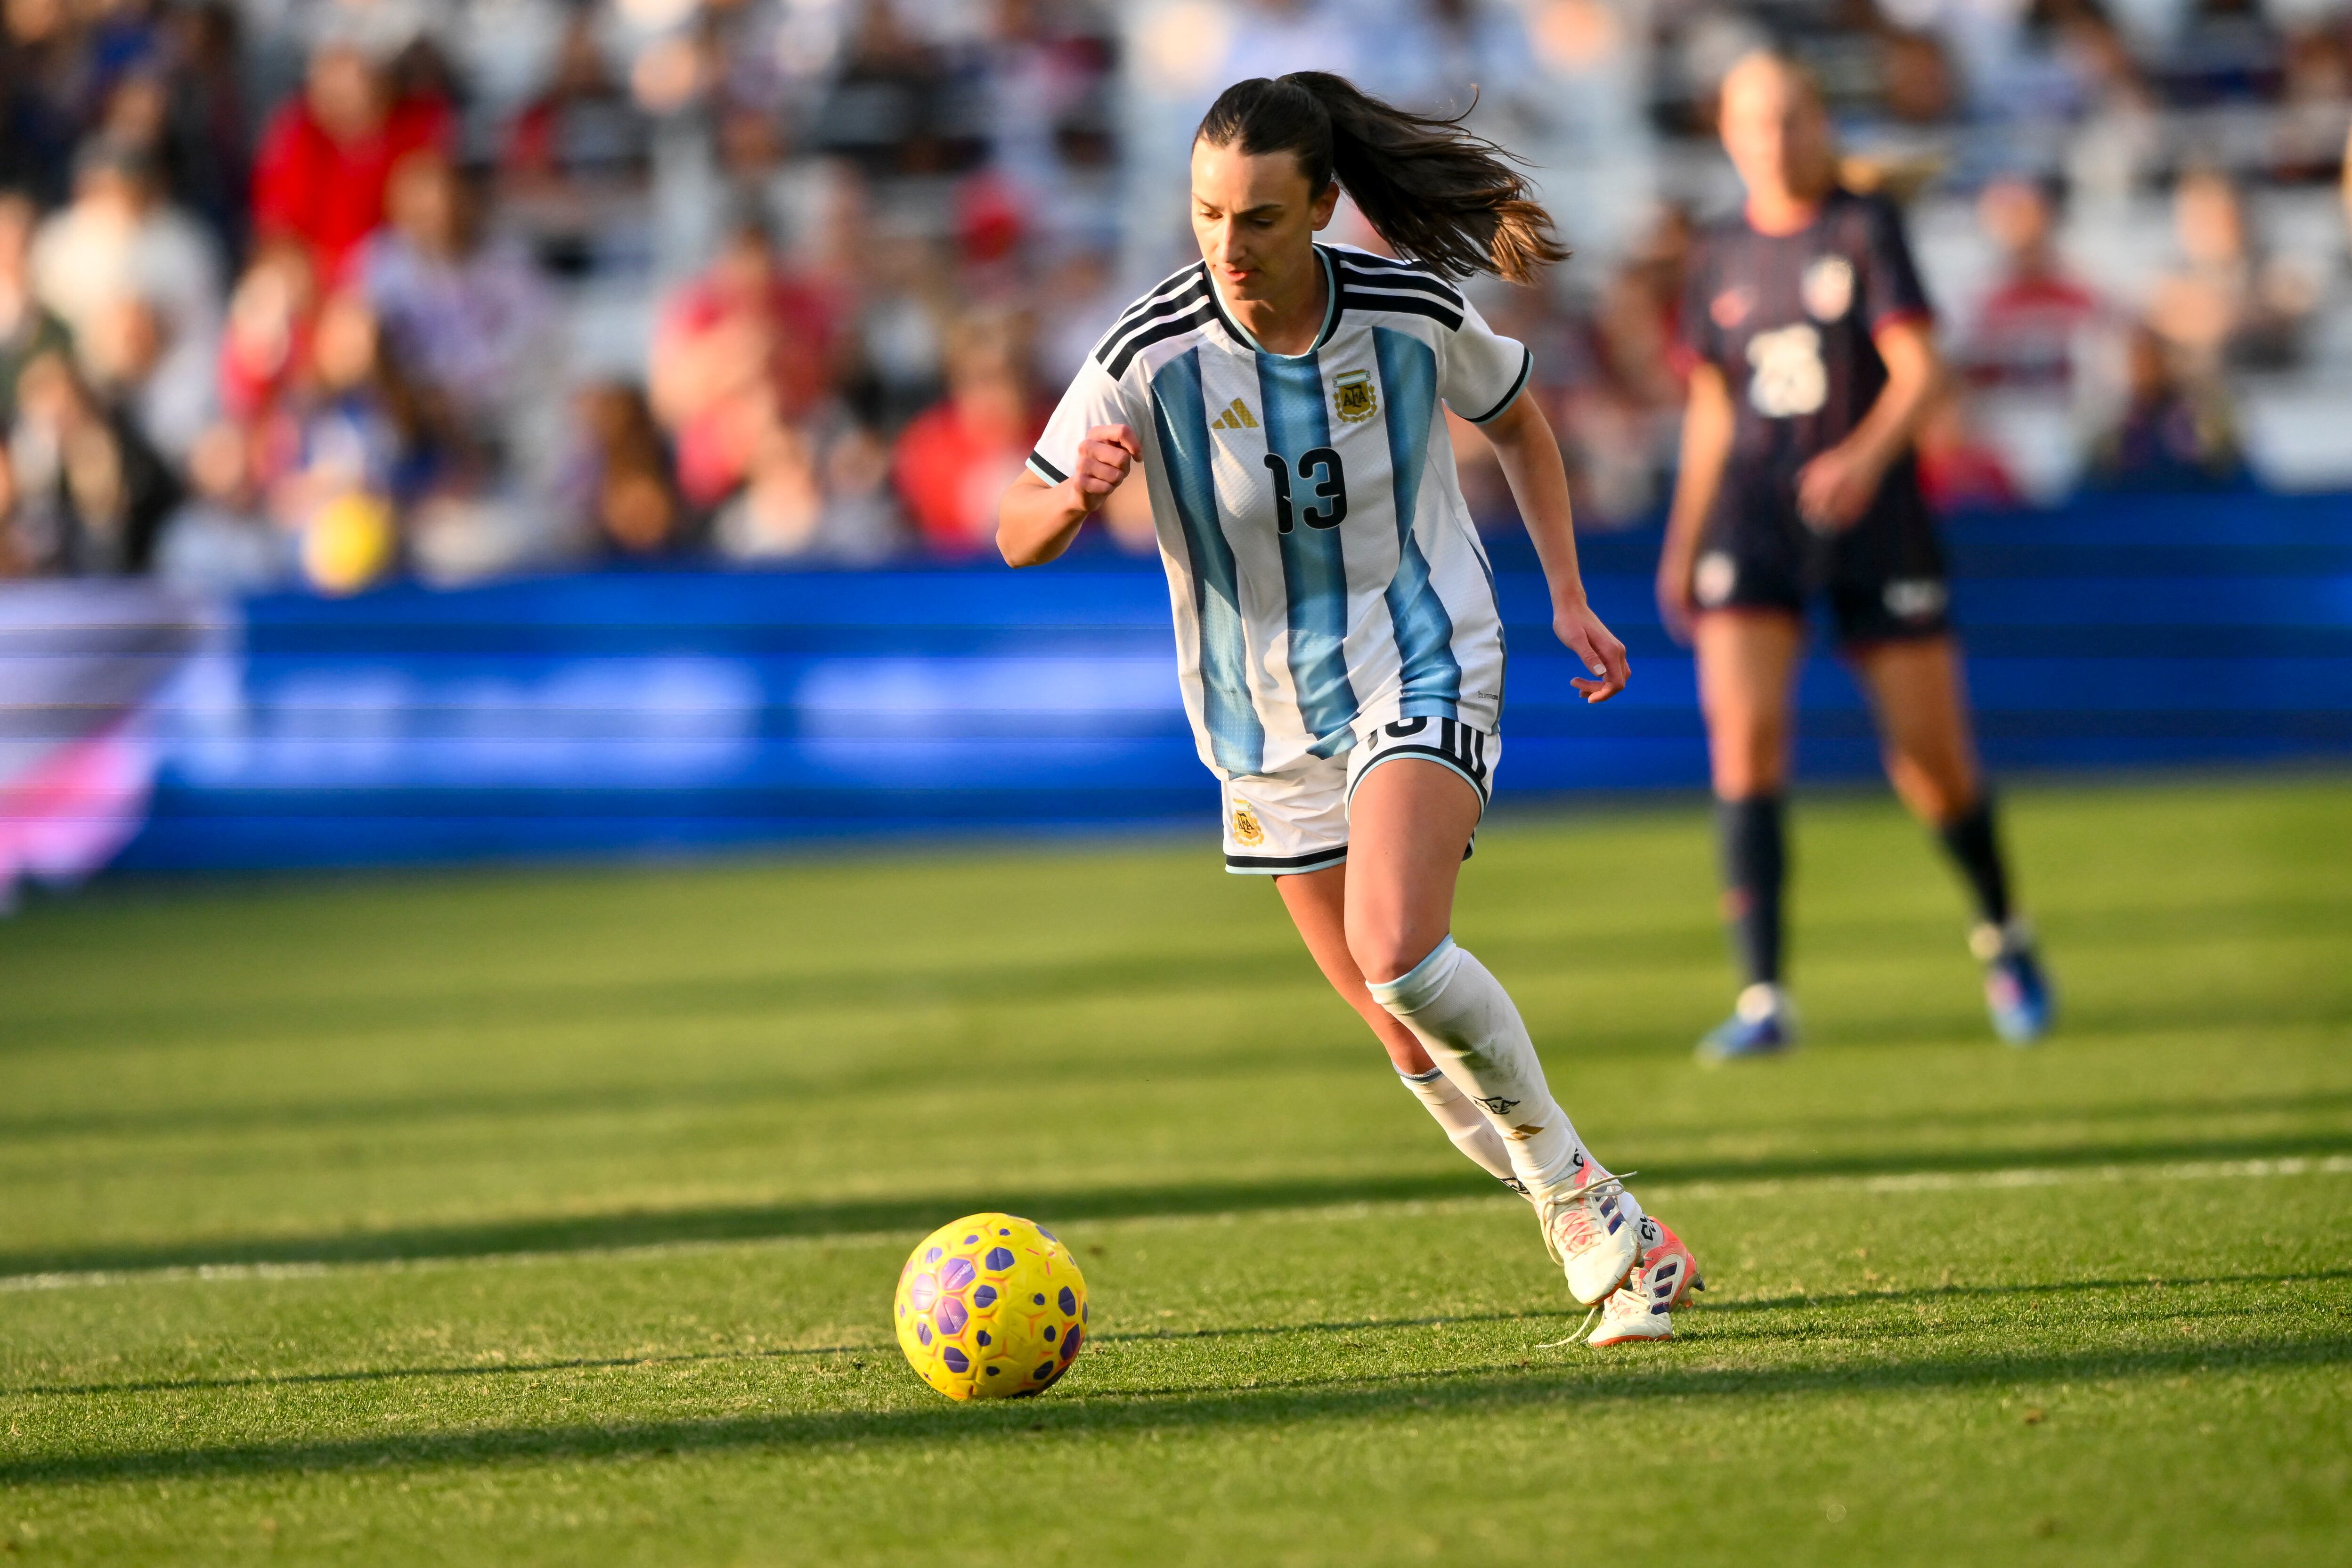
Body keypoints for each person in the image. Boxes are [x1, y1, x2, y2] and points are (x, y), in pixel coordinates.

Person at [997, 73, 1699, 1349]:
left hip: (1421, 655)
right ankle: (1607, 1215)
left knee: (1398, 945)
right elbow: (1015, 525)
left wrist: (1567, 596)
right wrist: (1069, 497)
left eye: (1258, 217)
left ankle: (1601, 1239)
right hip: (1260, 721)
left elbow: (1523, 427)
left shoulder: (1408, 309)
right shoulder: (1144, 352)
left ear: (1321, 206)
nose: (1227, 243)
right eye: (1207, 211)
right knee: (1405, 1039)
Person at [1655, 51, 2052, 1061]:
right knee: (1742, 741)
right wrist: (1682, 539)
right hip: (1752, 517)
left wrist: (1862, 460)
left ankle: (2002, 931)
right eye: (1754, 122)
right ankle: (1762, 998)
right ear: (1729, 134)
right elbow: (1709, 408)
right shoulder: (1717, 252)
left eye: (1790, 118)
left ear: (1818, 122)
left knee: (1929, 760)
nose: (1773, 139)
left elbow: (1920, 371)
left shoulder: (1863, 227)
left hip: (1874, 520)